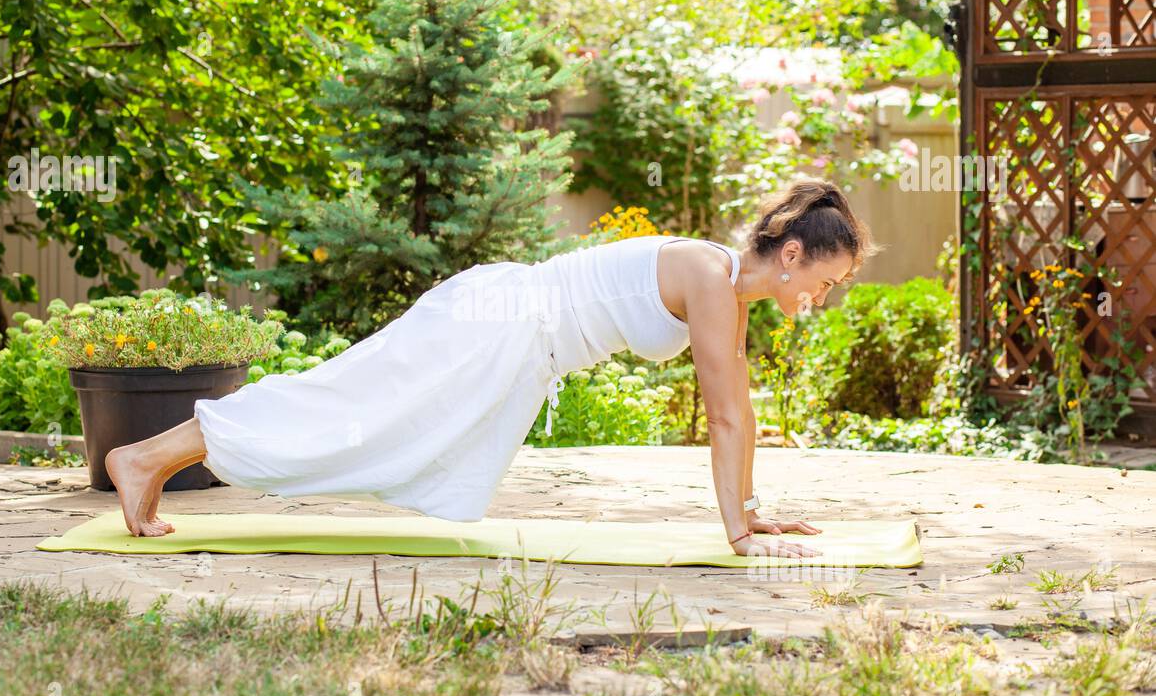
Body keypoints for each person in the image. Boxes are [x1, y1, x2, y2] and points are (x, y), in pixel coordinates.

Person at [105, 178, 878, 557]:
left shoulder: (725, 292)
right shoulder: (712, 282)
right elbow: (728, 415)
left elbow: (732, 410)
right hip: (496, 328)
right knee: (345, 408)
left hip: (505, 340)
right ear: (790, 253)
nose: (823, 296)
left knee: (363, 425)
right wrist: (740, 532)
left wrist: (748, 509)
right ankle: (144, 457)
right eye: (826, 280)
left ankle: (152, 458)